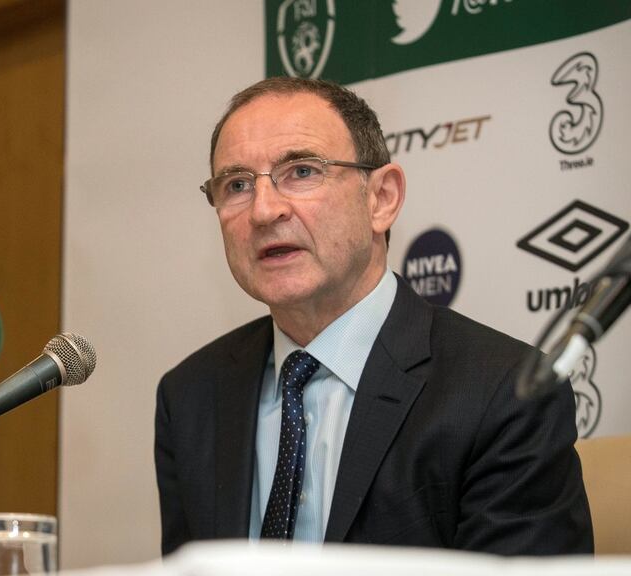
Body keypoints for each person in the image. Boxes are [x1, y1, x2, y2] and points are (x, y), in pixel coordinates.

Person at [154, 77, 593, 556]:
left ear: (381, 198)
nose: (263, 210)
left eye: (301, 171)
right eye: (236, 185)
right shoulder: (191, 396)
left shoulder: (505, 392)